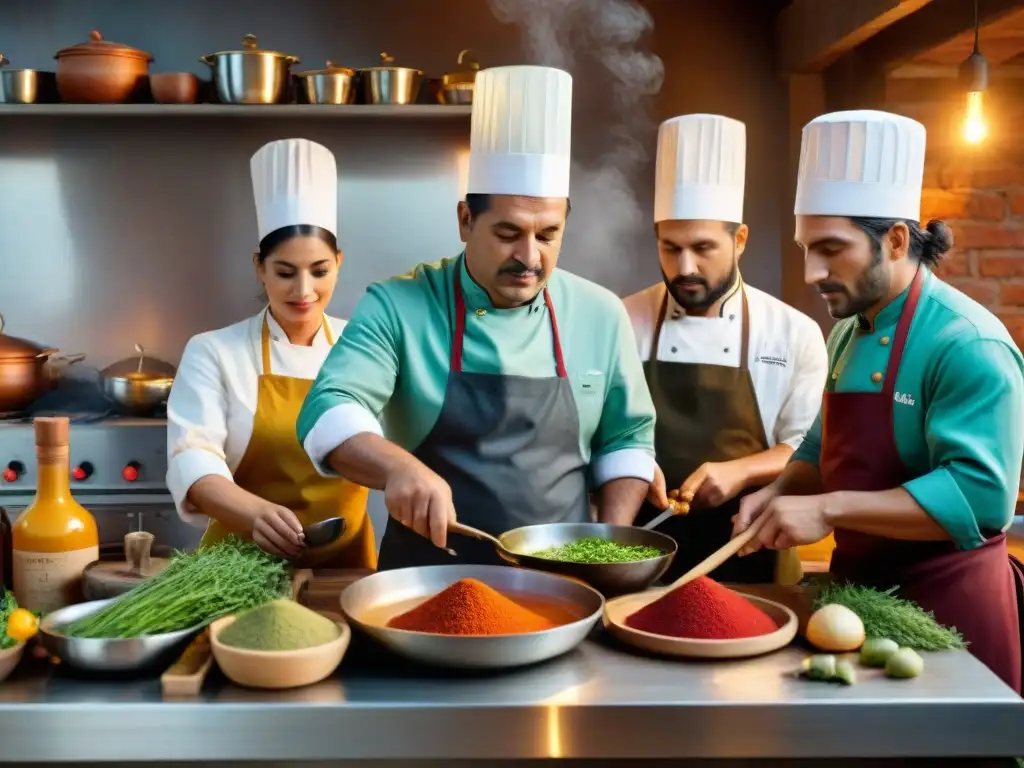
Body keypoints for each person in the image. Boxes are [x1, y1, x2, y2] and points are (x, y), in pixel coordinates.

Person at [297, 65, 656, 569]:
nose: (530, 257)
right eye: (508, 234)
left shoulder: (600, 313)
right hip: (426, 583)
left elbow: (626, 437)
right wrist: (398, 467)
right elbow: (328, 408)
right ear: (466, 220)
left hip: (564, 583)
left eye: (548, 234)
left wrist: (607, 545)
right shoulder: (399, 305)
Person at [731, 110, 1024, 693]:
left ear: (894, 239)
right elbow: (822, 441)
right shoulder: (849, 328)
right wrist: (780, 489)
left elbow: (982, 497)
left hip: (950, 611)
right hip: (856, 599)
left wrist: (829, 510)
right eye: (805, 247)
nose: (812, 271)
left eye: (831, 249)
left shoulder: (967, 343)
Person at [624, 114, 828, 584]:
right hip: (639, 557)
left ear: (739, 240)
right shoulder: (622, 319)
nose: (685, 266)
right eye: (670, 248)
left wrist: (739, 472)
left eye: (703, 247)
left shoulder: (792, 332)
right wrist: (630, 462)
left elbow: (807, 447)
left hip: (750, 551)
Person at [166, 138, 375, 569]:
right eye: (284, 272)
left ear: (338, 261)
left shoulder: (367, 346)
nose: (303, 291)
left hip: (347, 568)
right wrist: (254, 513)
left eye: (319, 271)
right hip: (236, 567)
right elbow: (193, 458)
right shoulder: (214, 351)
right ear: (259, 267)